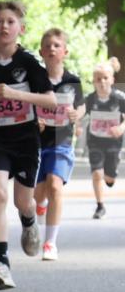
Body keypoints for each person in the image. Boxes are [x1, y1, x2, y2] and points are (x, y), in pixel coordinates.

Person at [0, 0, 56, 290]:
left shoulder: (29, 63)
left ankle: (29, 220)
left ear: (21, 29)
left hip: (26, 140)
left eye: (10, 22)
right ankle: (2, 264)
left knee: (22, 202)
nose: (4, 26)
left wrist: (20, 97)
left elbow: (50, 100)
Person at [30, 29, 84, 260]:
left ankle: (50, 243)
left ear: (65, 51)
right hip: (37, 143)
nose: (52, 49)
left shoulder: (72, 81)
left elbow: (81, 106)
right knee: (39, 192)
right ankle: (40, 204)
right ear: (41, 52)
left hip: (61, 141)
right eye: (47, 46)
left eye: (56, 45)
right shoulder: (35, 79)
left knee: (55, 186)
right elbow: (26, 105)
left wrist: (76, 115)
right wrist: (35, 118)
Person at [81, 58, 125, 220]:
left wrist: (121, 127)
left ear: (112, 80)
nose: (102, 82)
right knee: (97, 174)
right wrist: (77, 126)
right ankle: (100, 206)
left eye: (105, 78)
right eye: (98, 79)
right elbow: (80, 113)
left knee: (109, 177)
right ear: (93, 81)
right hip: (95, 141)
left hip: (114, 141)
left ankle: (111, 175)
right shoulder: (90, 99)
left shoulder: (119, 98)